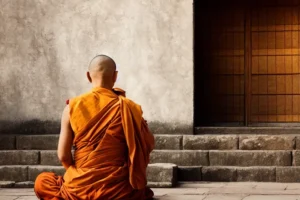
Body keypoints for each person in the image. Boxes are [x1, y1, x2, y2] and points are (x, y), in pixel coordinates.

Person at [34, 55, 155, 200]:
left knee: (42, 182)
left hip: (80, 189)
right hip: (118, 190)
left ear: (88, 76)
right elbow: (147, 144)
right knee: (138, 189)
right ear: (115, 76)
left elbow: (63, 156)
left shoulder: (72, 107)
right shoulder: (129, 108)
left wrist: (79, 176)